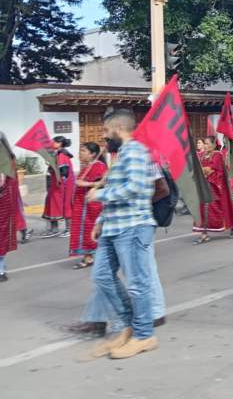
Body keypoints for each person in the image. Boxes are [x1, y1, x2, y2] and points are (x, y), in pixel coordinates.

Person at [86, 109, 159, 359]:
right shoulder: (122, 154)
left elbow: (137, 188)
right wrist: (100, 220)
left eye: (106, 131)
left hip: (134, 226)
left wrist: (99, 195)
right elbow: (119, 188)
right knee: (102, 276)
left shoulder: (136, 151)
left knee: (138, 284)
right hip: (113, 226)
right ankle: (130, 326)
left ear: (118, 128)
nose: (105, 137)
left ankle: (144, 335)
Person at [194, 136, 233, 243]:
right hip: (204, 186)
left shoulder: (218, 155)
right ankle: (204, 234)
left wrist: (202, 170)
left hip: (216, 187)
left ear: (214, 145)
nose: (205, 146)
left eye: (207, 143)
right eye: (204, 144)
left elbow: (210, 170)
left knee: (222, 208)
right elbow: (197, 168)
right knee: (203, 209)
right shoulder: (201, 155)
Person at [69, 143, 108, 269]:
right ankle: (88, 257)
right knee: (82, 231)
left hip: (92, 205)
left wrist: (86, 184)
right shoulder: (86, 166)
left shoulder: (99, 166)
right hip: (81, 205)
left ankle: (92, 257)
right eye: (80, 150)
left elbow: (104, 183)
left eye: (84, 151)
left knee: (90, 230)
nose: (80, 153)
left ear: (92, 154)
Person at [41, 135, 76, 238]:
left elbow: (64, 172)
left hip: (62, 185)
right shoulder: (58, 154)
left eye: (54, 142)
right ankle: (54, 229)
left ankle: (69, 229)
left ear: (59, 143)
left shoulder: (62, 155)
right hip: (56, 184)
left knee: (66, 205)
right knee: (51, 204)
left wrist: (60, 183)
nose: (51, 143)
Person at [0, 168, 22, 282]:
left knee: (2, 239)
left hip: (3, 210)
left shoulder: (6, 170)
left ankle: (1, 270)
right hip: (5, 209)